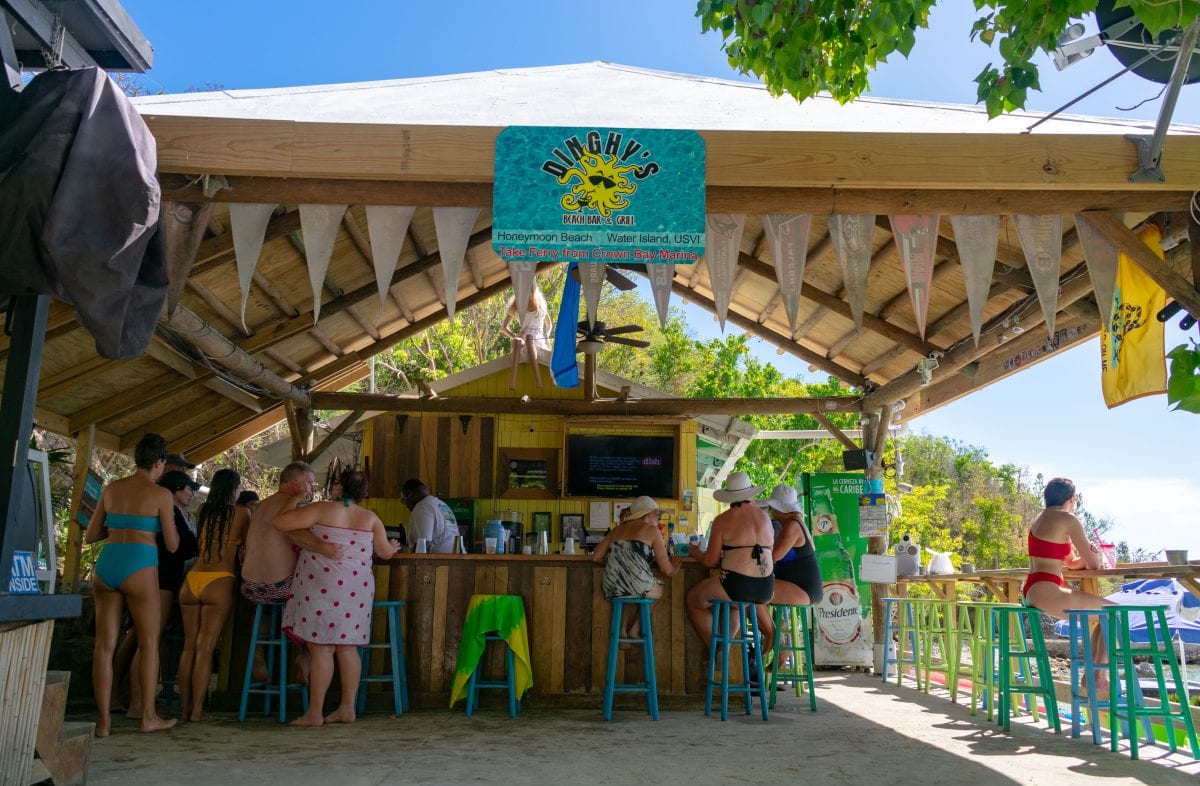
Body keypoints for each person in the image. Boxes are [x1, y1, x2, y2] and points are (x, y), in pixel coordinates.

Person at [276, 467, 401, 726]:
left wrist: (295, 498)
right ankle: (347, 708)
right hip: (357, 589)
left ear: (338, 488)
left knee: (321, 648)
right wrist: (394, 546)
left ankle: (315, 713)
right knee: (347, 647)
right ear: (363, 493)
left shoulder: (322, 509)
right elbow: (386, 552)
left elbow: (281, 522)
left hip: (322, 584)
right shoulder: (370, 518)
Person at [85, 432, 179, 736]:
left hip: (108, 563)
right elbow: (174, 545)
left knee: (104, 646)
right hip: (140, 565)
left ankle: (103, 722)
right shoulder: (161, 494)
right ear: (159, 462)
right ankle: (148, 716)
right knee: (149, 643)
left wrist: (121, 529)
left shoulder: (111, 489)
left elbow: (91, 534)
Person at [1023, 477, 1112, 695]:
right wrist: (1094, 554)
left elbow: (1072, 563)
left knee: (1106, 616)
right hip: (1047, 589)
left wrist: (1085, 555)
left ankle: (1094, 674)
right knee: (1114, 614)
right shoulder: (1068, 519)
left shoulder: (1039, 518)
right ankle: (1097, 677)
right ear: (1072, 499)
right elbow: (1092, 564)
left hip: (1034, 588)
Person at [125, 470, 199, 718]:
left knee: (147, 640)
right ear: (177, 491)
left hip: (154, 576)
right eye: (188, 489)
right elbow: (184, 546)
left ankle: (138, 702)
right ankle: (139, 704)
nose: (190, 494)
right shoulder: (171, 514)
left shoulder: (170, 512)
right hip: (162, 580)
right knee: (150, 641)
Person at [178, 468, 250, 721]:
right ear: (234, 489)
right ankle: (198, 711)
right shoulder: (242, 513)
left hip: (192, 580)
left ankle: (184, 708)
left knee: (189, 647)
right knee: (206, 647)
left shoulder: (203, 511)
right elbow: (248, 548)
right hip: (220, 579)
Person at [685, 472, 775, 650]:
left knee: (693, 600)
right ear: (750, 494)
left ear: (730, 496)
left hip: (737, 585)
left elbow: (710, 561)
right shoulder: (765, 518)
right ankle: (724, 646)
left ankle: (716, 648)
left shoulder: (723, 520)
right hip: (766, 587)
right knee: (735, 605)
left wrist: (696, 553)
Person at [241, 462, 337, 604]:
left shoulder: (261, 505)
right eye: (309, 483)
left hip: (249, 587)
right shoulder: (295, 506)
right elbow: (307, 539)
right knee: (328, 584)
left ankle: (268, 625)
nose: (312, 488)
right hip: (279, 587)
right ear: (296, 484)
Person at [592, 496, 681, 638]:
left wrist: (618, 561)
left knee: (628, 588)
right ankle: (635, 629)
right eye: (656, 515)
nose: (657, 520)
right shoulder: (652, 531)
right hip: (637, 585)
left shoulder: (617, 530)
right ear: (646, 515)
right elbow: (667, 570)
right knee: (658, 588)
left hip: (610, 587)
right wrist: (675, 568)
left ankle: (622, 629)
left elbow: (596, 557)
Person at [757, 484, 823, 653]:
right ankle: (780, 638)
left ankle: (775, 636)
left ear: (782, 509)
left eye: (773, 507)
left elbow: (774, 556)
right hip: (800, 586)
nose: (771, 511)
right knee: (756, 593)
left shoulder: (792, 526)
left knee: (752, 594)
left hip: (804, 589)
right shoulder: (793, 523)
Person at [501, 286, 551, 388]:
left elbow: (549, 324)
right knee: (517, 341)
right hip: (524, 335)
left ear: (533, 291)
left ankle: (538, 379)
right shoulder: (517, 305)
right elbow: (504, 327)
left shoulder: (540, 305)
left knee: (529, 337)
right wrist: (515, 335)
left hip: (537, 337)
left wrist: (547, 335)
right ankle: (513, 380)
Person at [401, 478, 457, 553]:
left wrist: (411, 564)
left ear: (410, 494)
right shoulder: (441, 504)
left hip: (440, 562)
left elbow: (422, 546)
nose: (406, 505)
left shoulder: (422, 507)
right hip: (455, 559)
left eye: (404, 500)